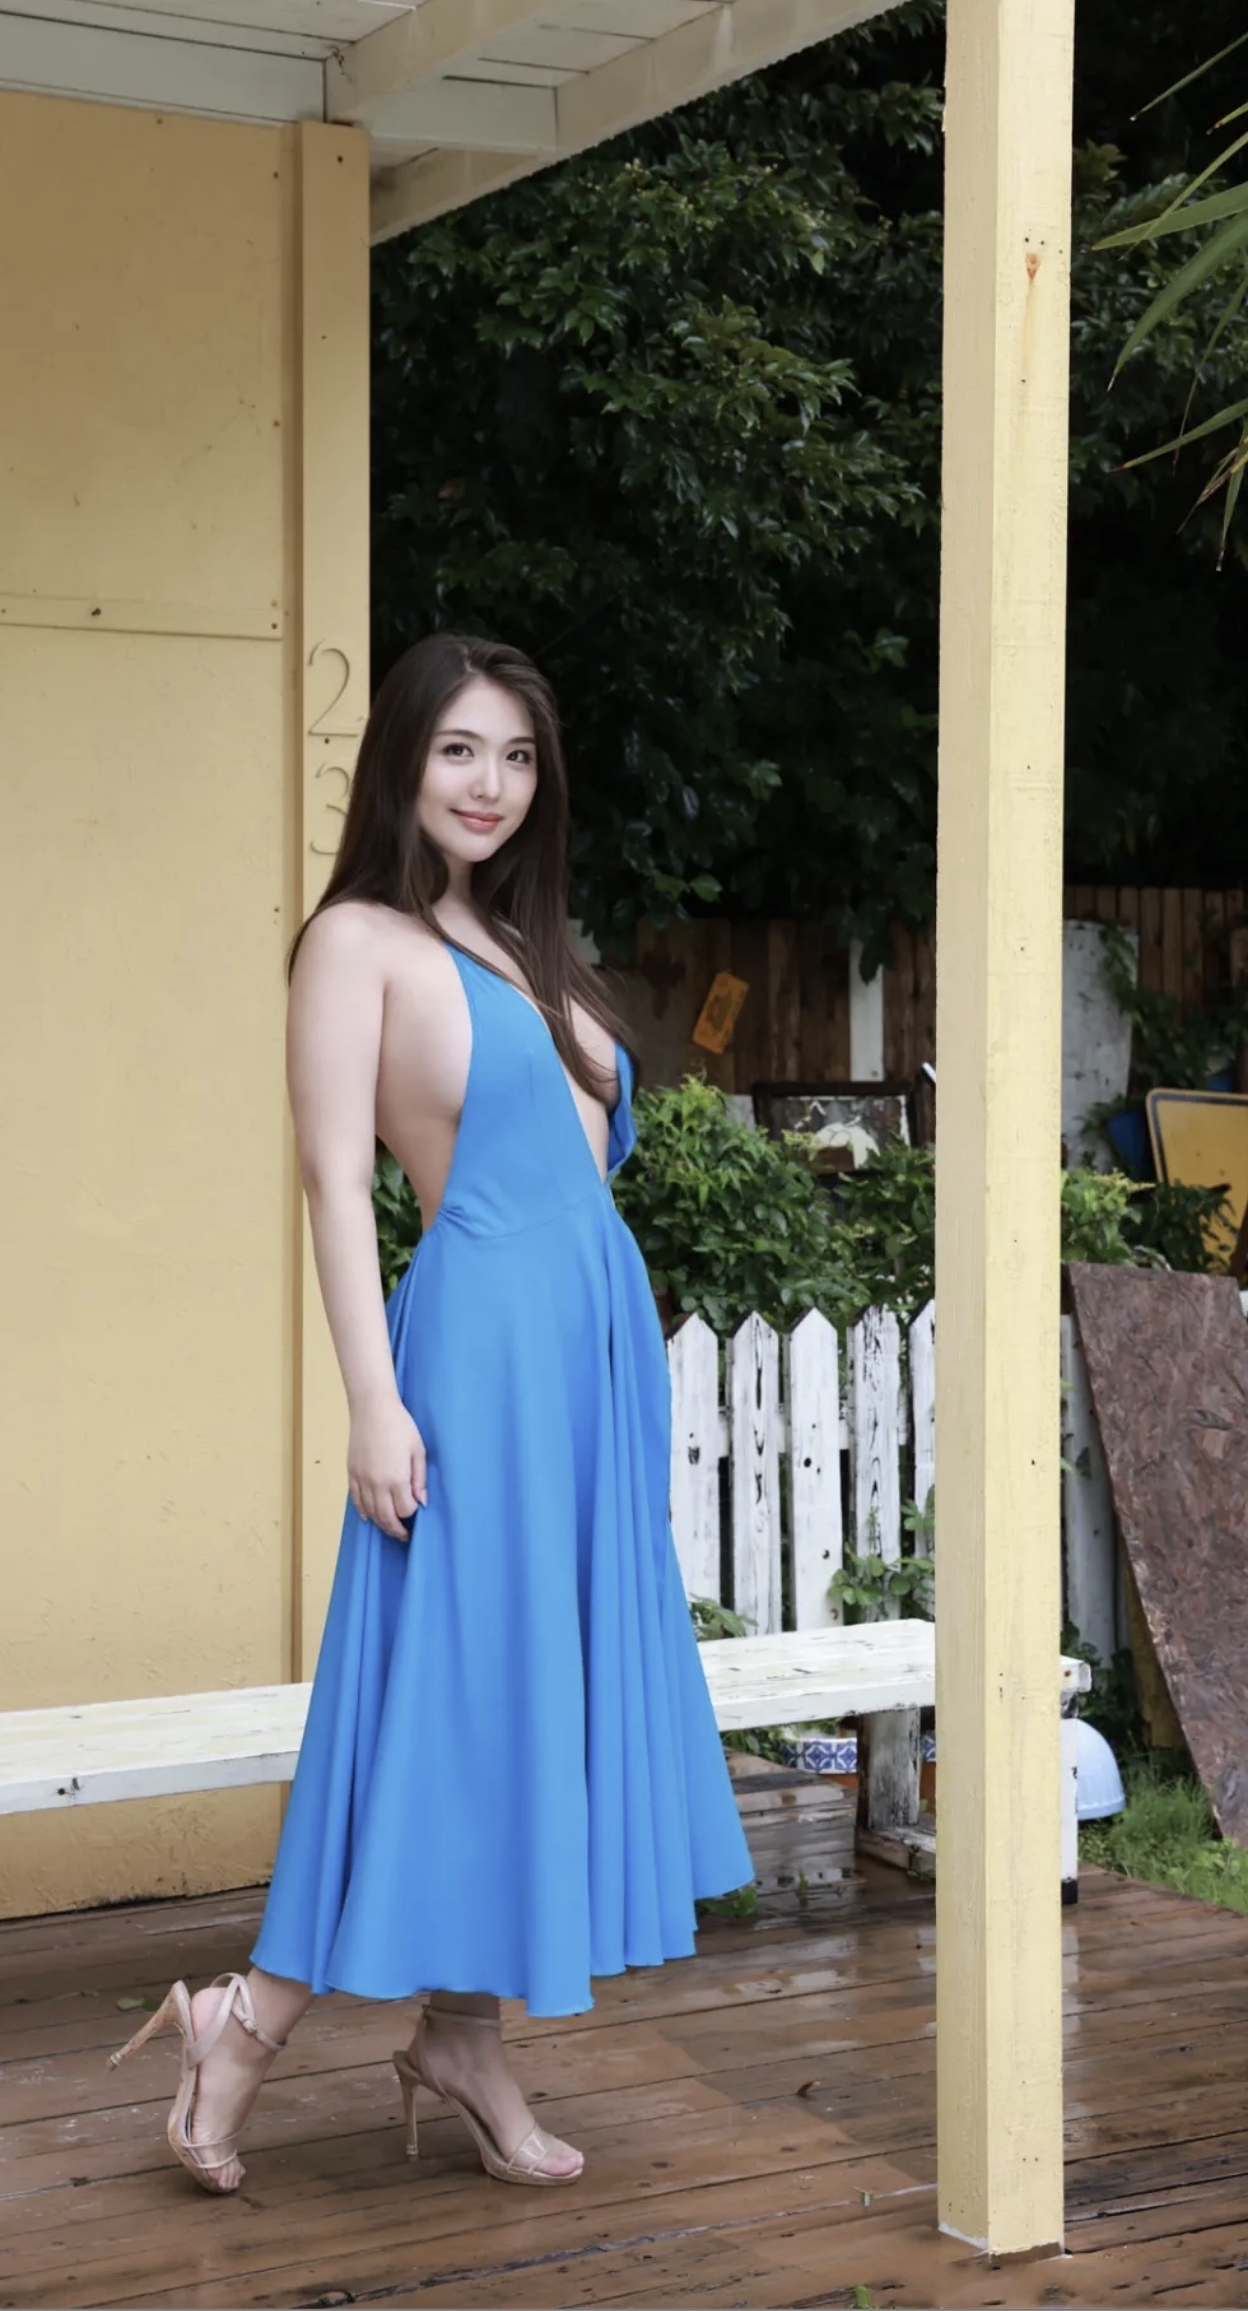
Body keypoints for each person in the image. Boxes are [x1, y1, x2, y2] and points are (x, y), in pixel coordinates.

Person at [111, 633, 752, 2191]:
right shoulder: (357, 941)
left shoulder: (524, 941)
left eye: (517, 756)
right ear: (402, 756)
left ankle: (464, 2037)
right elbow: (335, 1181)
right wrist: (371, 1400)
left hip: (584, 1373)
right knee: (433, 1705)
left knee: (531, 1701)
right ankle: (239, 2025)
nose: (490, 783)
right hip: (473, 1360)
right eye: (460, 748)